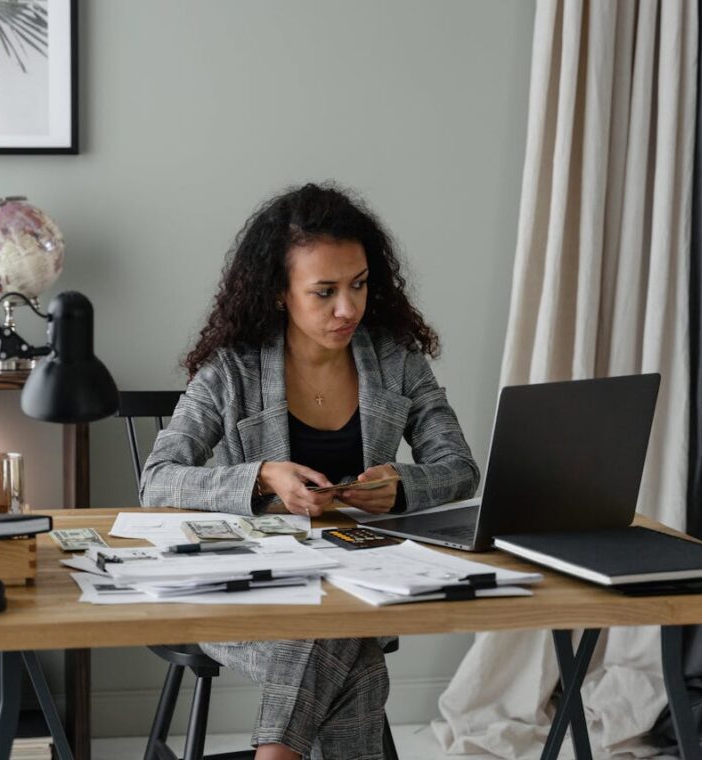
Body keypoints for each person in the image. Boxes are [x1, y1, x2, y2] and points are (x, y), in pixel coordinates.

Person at [140, 182, 479, 760]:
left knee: (337, 629)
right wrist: (262, 476)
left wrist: (401, 488)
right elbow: (157, 479)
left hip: (362, 582)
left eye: (359, 285)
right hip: (252, 591)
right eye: (324, 292)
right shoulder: (234, 369)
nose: (347, 308)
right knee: (350, 652)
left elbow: (459, 468)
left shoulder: (396, 360)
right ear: (280, 293)